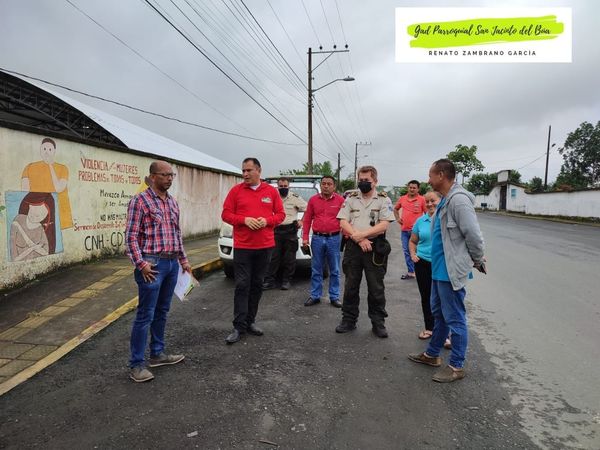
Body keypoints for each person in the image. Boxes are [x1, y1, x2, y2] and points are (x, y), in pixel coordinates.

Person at [408, 159, 485, 383]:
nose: (428, 179)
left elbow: (473, 233)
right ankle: (432, 354)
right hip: (438, 268)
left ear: (441, 175)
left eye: (430, 175)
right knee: (439, 313)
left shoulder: (458, 200)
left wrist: (478, 258)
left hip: (450, 270)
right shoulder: (445, 200)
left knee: (455, 317)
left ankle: (456, 366)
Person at [125, 160, 190, 383]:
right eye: (165, 175)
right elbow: (131, 237)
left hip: (172, 264)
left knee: (162, 311)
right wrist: (141, 263)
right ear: (153, 176)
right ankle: (136, 365)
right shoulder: (140, 201)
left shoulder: (172, 202)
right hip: (151, 265)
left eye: (172, 175)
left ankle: (157, 354)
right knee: (146, 314)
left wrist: (184, 260)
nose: (169, 178)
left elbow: (177, 234)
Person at [221, 158, 285, 344]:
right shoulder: (236, 191)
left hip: (265, 246)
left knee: (257, 284)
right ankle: (238, 326)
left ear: (259, 170)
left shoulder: (271, 191)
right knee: (242, 285)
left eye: (249, 170)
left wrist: (267, 221)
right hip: (243, 247)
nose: (245, 174)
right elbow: (225, 214)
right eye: (243, 171)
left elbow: (280, 215)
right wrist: (244, 220)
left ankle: (251, 321)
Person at [336, 166, 395, 338]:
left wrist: (363, 235)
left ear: (375, 181)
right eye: (360, 180)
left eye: (366, 180)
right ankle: (348, 320)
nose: (363, 183)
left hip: (375, 247)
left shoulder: (383, 199)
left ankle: (378, 323)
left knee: (376, 288)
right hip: (354, 247)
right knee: (350, 286)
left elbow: (384, 224)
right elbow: (343, 221)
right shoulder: (351, 199)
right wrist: (359, 239)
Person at [302, 176, 345, 308]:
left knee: (335, 269)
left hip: (334, 238)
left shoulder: (340, 200)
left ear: (334, 186)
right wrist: (305, 237)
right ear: (320, 185)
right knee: (316, 269)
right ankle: (315, 295)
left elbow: (345, 219)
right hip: (317, 238)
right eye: (324, 183)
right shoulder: (313, 200)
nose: (326, 186)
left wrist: (348, 236)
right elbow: (307, 219)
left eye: (329, 184)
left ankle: (334, 296)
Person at [262, 177, 307, 291]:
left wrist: (302, 221)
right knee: (273, 257)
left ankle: (286, 281)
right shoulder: (272, 197)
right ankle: (269, 281)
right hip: (275, 231)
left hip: (290, 231)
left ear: (289, 186)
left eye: (285, 186)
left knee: (289, 258)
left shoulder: (295, 197)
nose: (283, 188)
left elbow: (308, 209)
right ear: (277, 187)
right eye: (281, 186)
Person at [408, 191, 441, 340]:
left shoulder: (445, 219)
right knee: (426, 297)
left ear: (441, 201)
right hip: (422, 263)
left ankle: (445, 333)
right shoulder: (421, 221)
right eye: (427, 201)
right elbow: (412, 241)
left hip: (441, 264)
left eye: (433, 200)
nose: (429, 204)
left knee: (442, 298)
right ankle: (430, 328)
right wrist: (413, 255)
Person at [21, 137, 73, 229]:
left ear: (54, 151)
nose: (46, 152)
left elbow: (58, 188)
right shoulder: (29, 167)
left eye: (50, 149)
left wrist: (50, 166)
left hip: (58, 213)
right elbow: (24, 192)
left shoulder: (62, 168)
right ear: (40, 150)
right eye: (44, 149)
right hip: (37, 213)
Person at [393, 180, 426, 280]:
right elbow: (395, 209)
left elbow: (428, 214)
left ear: (418, 189)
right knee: (407, 252)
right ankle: (411, 272)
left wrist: (424, 227)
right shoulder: (402, 198)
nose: (412, 189)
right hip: (404, 231)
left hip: (417, 232)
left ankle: (420, 272)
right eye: (410, 187)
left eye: (414, 188)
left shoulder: (422, 200)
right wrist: (398, 219)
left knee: (418, 252)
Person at [10, 192, 56, 261]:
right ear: (30, 205)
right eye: (35, 209)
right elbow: (15, 259)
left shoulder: (40, 228)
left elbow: (46, 253)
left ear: (47, 215)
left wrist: (32, 247)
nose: (36, 215)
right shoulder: (18, 220)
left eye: (42, 214)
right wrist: (33, 248)